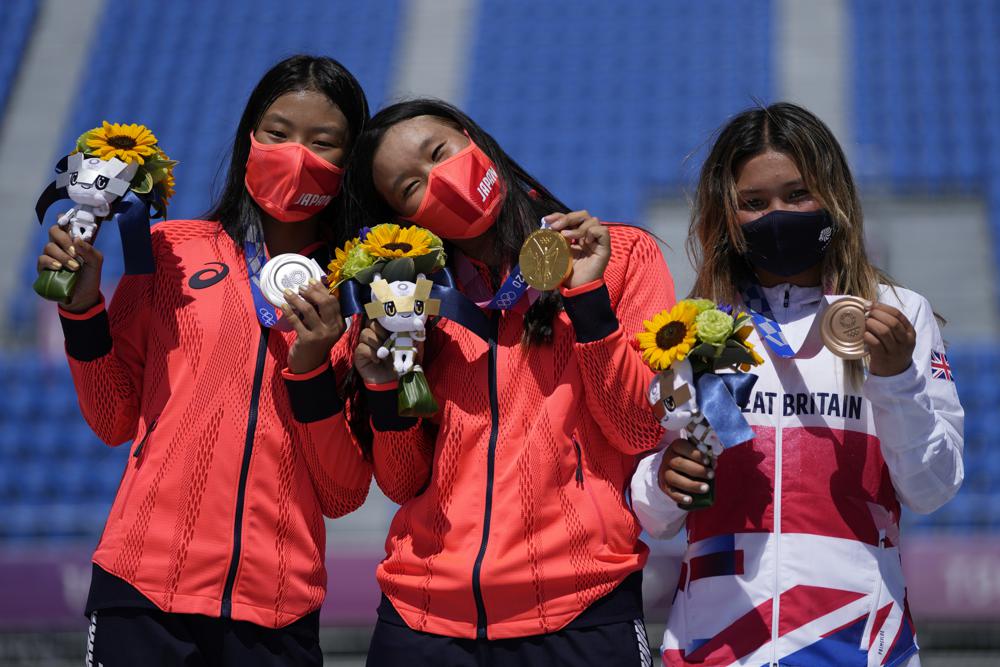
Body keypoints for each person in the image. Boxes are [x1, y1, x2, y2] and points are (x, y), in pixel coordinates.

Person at [37, 55, 372, 666]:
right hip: (142, 591)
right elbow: (114, 418)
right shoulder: (166, 251)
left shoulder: (359, 294)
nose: (296, 153)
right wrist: (82, 310)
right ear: (249, 138)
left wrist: (314, 368)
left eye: (322, 142)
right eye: (277, 133)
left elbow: (343, 492)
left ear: (348, 165)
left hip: (277, 608)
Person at [630, 102, 964, 667]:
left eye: (797, 194)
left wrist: (896, 378)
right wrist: (664, 480)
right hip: (716, 642)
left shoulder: (897, 314)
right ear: (726, 216)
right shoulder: (690, 328)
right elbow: (654, 518)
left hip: (859, 641)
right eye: (754, 203)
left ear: (833, 197)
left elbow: (932, 488)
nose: (777, 214)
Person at [344, 99, 675, 666]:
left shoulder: (619, 257)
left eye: (440, 153)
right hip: (423, 619)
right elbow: (402, 482)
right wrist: (385, 387)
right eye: (410, 187)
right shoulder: (402, 304)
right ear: (403, 219)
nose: (439, 181)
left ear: (473, 140)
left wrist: (588, 298)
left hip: (580, 607)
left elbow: (637, 428)